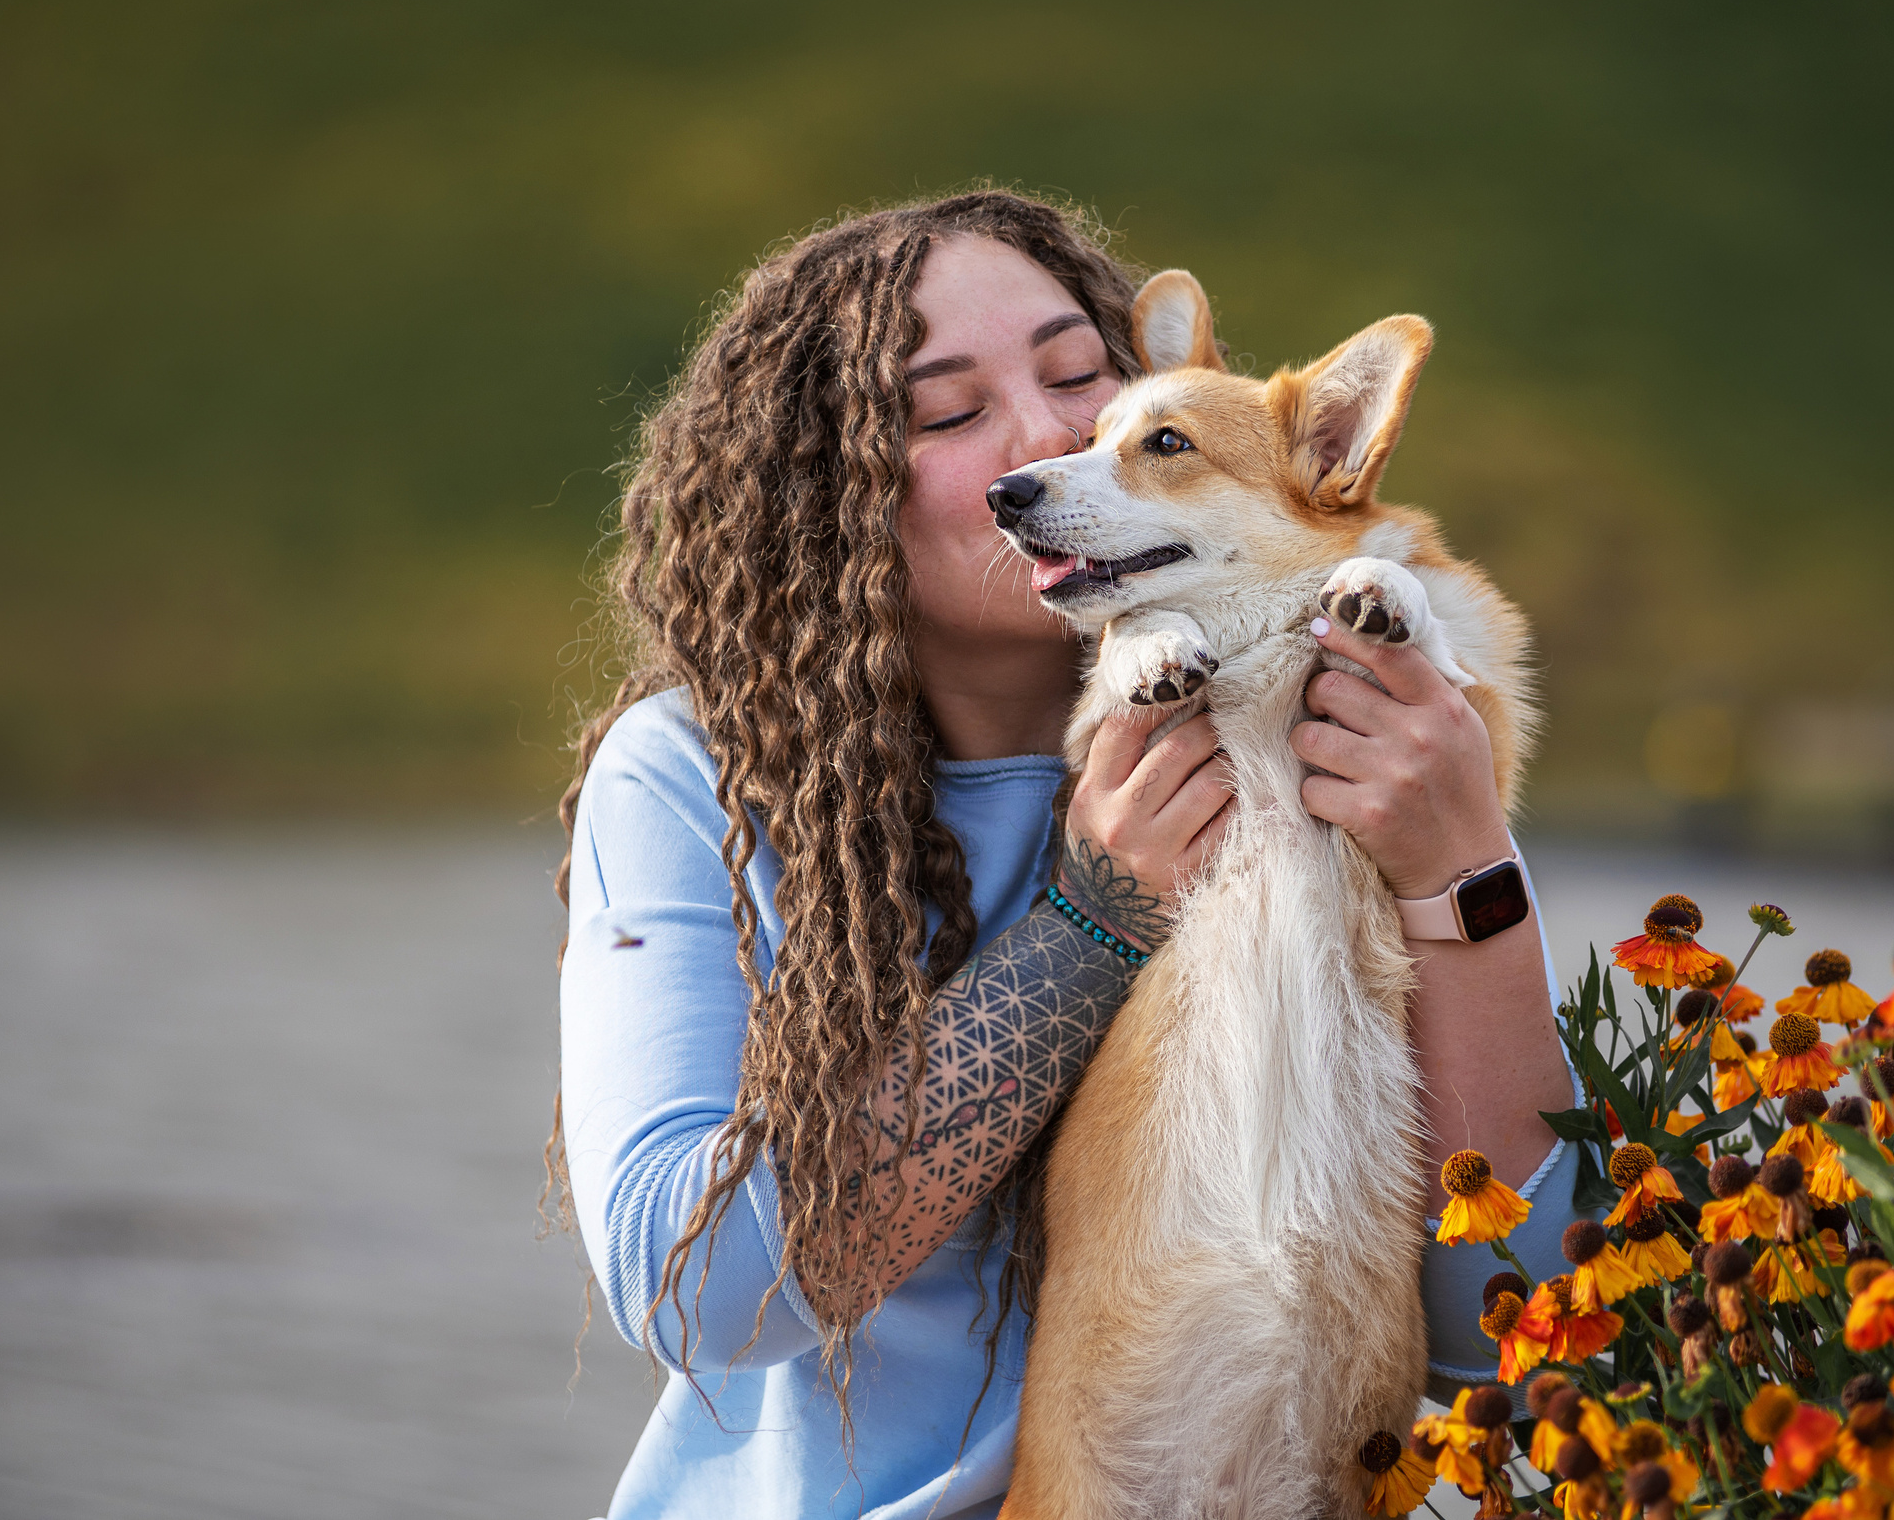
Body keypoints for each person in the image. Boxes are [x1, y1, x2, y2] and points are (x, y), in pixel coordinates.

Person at [553, 190, 1579, 1519]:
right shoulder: (699, 774)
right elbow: (691, 1292)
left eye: (1081, 381)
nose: (1046, 440)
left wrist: (1464, 872)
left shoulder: (1327, 718)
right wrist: (1091, 917)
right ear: (829, 494)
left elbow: (1514, 1325)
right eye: (947, 410)